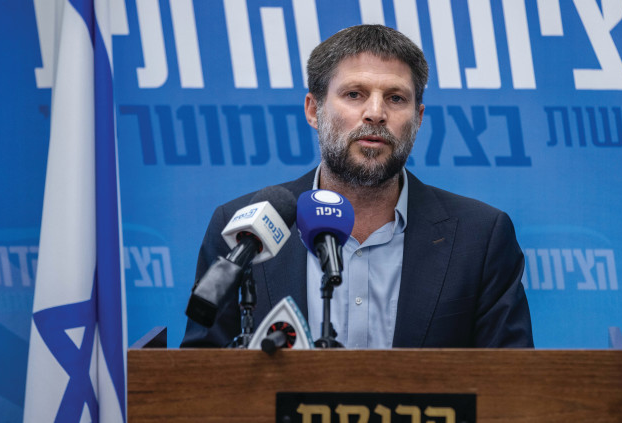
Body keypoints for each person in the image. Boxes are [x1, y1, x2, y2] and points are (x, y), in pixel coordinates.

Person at [181, 25, 533, 349]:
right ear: (313, 110)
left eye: (396, 98)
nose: (376, 113)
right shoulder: (243, 229)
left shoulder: (480, 237)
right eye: (354, 94)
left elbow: (512, 382)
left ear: (418, 118)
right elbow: (200, 373)